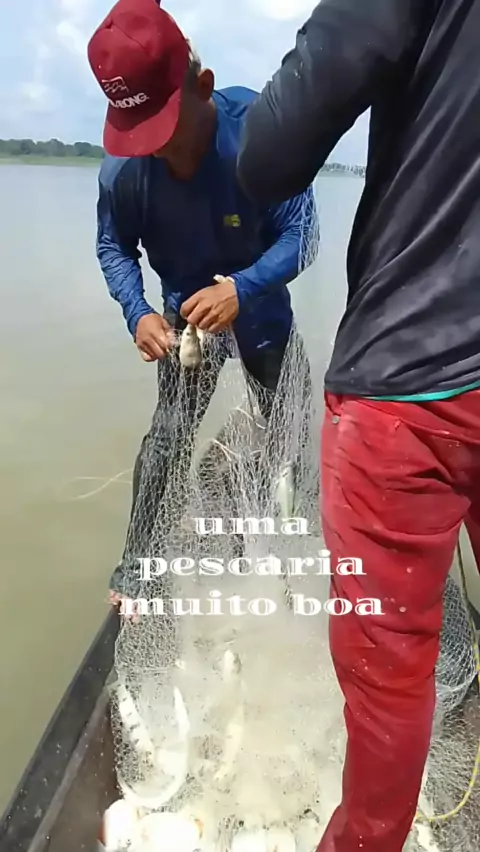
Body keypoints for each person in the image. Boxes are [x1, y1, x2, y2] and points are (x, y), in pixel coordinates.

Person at [236, 1, 480, 852]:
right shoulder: (125, 189)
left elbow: (269, 159)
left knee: (389, 675)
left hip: (411, 376)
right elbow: (116, 252)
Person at [86, 0, 316, 603]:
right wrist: (138, 312)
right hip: (186, 323)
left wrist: (242, 287)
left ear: (204, 86)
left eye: (166, 131)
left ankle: (290, 553)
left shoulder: (261, 135)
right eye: (141, 137)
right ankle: (136, 572)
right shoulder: (123, 173)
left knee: (290, 435)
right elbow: (113, 246)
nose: (157, 152)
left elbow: (303, 235)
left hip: (261, 313)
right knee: (168, 434)